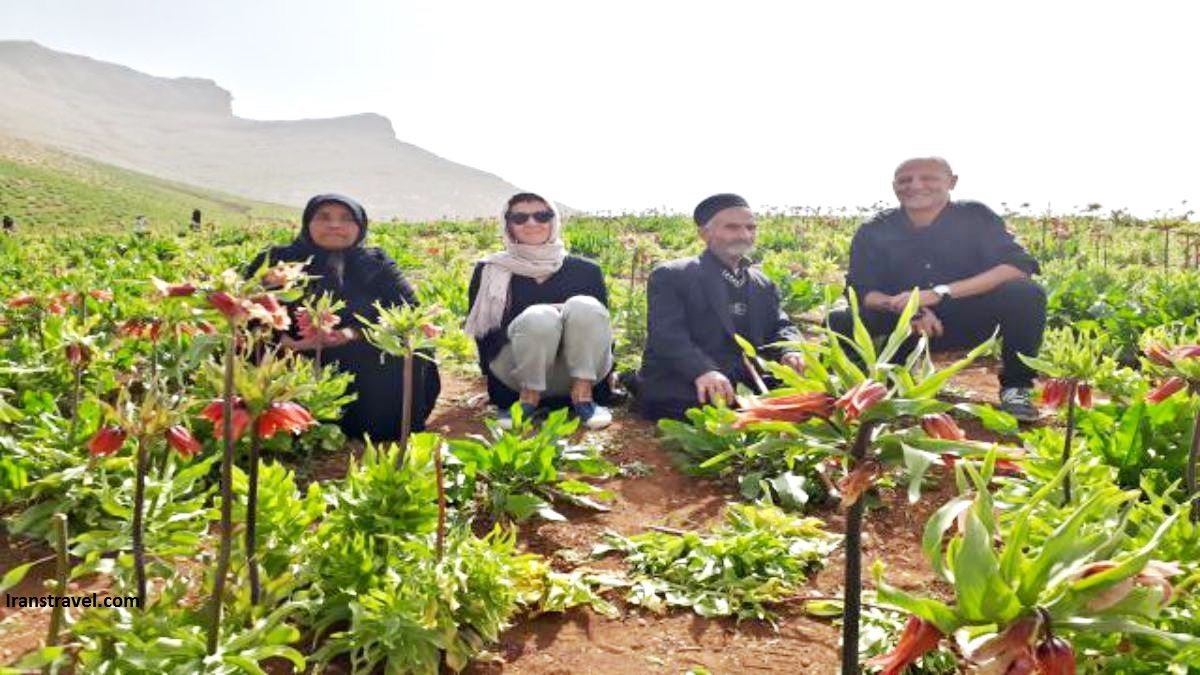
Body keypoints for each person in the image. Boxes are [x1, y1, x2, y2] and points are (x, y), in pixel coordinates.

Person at [829, 157, 1045, 421]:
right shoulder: (874, 230)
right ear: (894, 186)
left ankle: (1016, 387)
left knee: (1025, 293)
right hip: (903, 325)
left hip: (966, 319)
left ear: (952, 182)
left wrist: (940, 293)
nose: (915, 185)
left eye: (928, 178)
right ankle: (860, 386)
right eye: (905, 180)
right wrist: (913, 309)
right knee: (840, 317)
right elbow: (863, 291)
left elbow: (1017, 266)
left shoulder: (975, 217)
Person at [247, 193, 440, 441]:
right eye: (324, 217)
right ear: (308, 223)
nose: (334, 225)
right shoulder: (276, 259)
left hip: (360, 351)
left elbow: (409, 308)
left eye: (346, 218)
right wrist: (286, 341)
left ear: (359, 227)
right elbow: (247, 308)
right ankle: (282, 423)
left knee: (409, 342)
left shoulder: (375, 262)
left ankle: (385, 428)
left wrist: (350, 334)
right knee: (245, 342)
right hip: (289, 351)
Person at [636, 193, 806, 421]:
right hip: (690, 374)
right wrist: (702, 370)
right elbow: (667, 336)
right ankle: (633, 381)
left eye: (750, 227)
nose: (744, 235)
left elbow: (781, 324)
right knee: (705, 405)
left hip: (745, 374)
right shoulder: (673, 275)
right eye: (732, 228)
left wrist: (790, 350)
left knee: (810, 395)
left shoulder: (762, 282)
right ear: (704, 234)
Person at [466, 192, 615, 430]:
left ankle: (584, 396)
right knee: (539, 317)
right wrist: (494, 385)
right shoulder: (491, 270)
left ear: (553, 220)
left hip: (576, 370)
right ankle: (527, 399)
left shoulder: (586, 271)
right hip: (517, 372)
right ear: (508, 224)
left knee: (585, 307)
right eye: (520, 218)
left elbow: (600, 330)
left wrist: (608, 379)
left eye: (541, 216)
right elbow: (486, 335)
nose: (532, 224)